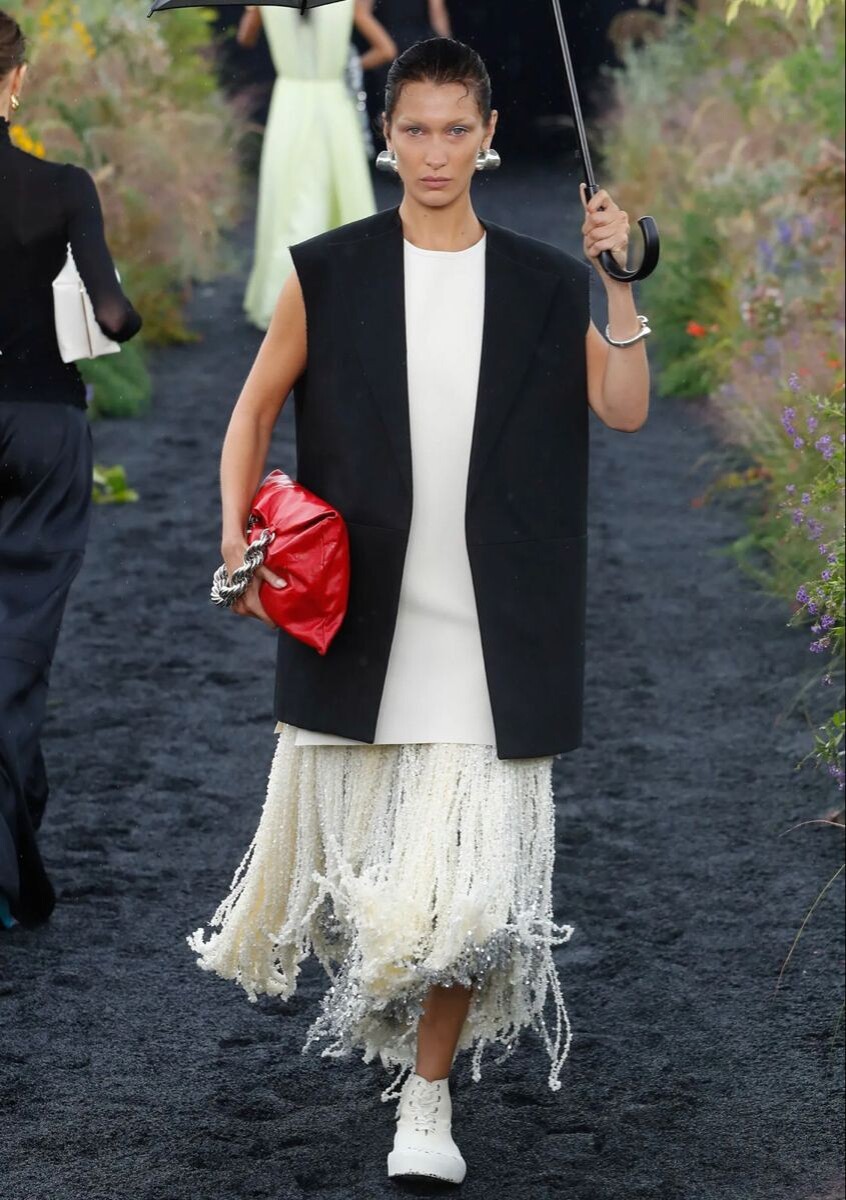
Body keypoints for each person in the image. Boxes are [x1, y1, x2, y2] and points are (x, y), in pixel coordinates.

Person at [189, 37, 650, 1185]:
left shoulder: (545, 281)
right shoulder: (329, 272)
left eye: (456, 130)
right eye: (414, 130)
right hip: (364, 624)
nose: (435, 152)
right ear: (385, 138)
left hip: (498, 634)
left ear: (488, 138)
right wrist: (237, 541)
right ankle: (406, 1039)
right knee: (384, 901)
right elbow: (252, 413)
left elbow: (626, 408)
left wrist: (619, 282)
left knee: (468, 897)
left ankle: (428, 1100)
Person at [0, 12, 142, 930]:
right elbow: (114, 313)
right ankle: (11, 874)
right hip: (42, 427)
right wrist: (114, 317)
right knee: (17, 643)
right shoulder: (61, 187)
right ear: (15, 82)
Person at [238, 1, 396, 330]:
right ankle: (344, 295)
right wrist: (350, 65)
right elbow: (386, 49)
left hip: (290, 104)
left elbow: (245, 39)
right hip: (331, 103)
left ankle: (290, 301)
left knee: (290, 199)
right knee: (340, 196)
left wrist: (256, 11)